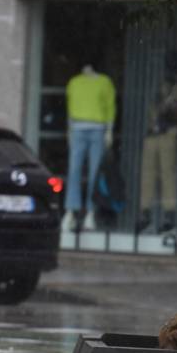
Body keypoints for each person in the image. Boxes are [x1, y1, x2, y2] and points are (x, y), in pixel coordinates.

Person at [138, 50, 177, 234]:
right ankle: (145, 214)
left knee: (168, 176)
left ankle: (169, 217)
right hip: (154, 134)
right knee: (149, 175)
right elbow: (152, 109)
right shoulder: (161, 84)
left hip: (168, 133)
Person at [61, 62, 116, 233]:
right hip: (78, 129)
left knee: (94, 172)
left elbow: (110, 106)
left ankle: (90, 213)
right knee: (74, 170)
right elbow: (70, 108)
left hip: (97, 129)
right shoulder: (74, 82)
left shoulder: (104, 82)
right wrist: (69, 129)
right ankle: (71, 211)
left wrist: (109, 130)